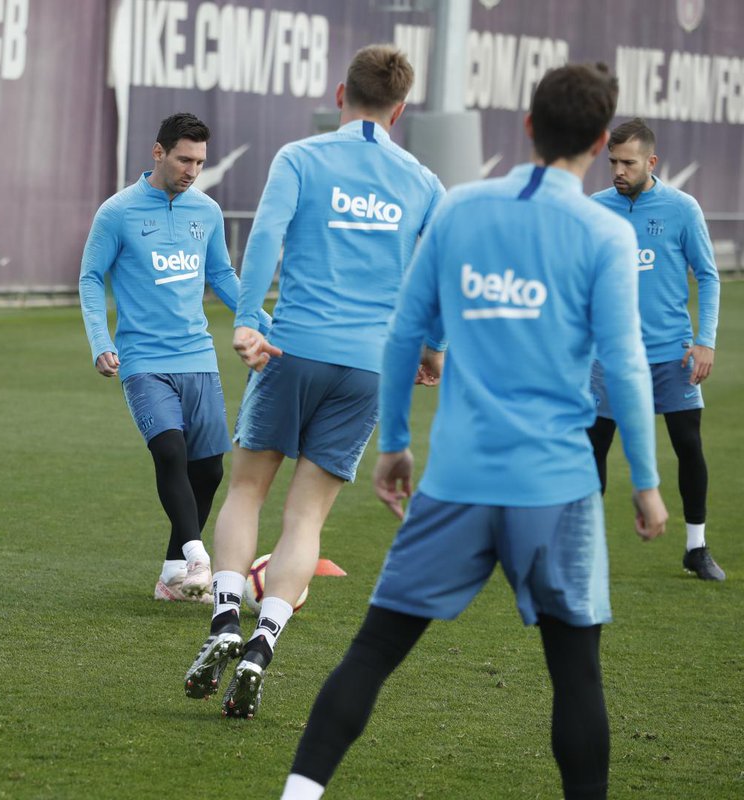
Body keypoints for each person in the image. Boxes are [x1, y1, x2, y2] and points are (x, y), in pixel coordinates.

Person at [281, 64, 668, 800]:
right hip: (555, 489)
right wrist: (646, 483)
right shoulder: (602, 234)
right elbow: (626, 366)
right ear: (597, 140)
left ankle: (298, 793)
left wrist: (394, 442)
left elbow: (403, 336)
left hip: (455, 482)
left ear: (525, 126)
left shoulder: (460, 209)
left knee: (373, 652)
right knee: (576, 673)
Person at [182, 45, 445, 718]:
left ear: (339, 94)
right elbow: (437, 277)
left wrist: (247, 320)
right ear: (401, 109)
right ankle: (264, 644)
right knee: (306, 518)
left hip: (291, 347)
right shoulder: (421, 181)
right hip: (368, 366)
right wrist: (433, 349)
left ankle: (223, 626)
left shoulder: (300, 158)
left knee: (245, 489)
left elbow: (266, 236)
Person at [79, 113, 269, 603]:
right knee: (169, 451)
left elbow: (223, 277)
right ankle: (197, 555)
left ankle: (170, 578)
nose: (192, 169)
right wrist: (101, 339)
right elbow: (90, 277)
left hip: (198, 356)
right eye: (185, 158)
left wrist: (267, 324)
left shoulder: (206, 212)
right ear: (158, 152)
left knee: (208, 472)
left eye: (201, 161)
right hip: (143, 359)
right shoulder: (117, 212)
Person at [588, 118, 723, 581]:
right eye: (612, 162)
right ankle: (587, 548)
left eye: (628, 162)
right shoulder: (594, 209)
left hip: (672, 352)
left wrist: (705, 340)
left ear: (651, 161)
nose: (618, 171)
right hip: (606, 356)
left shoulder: (682, 209)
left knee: (688, 444)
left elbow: (707, 275)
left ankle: (696, 546)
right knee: (594, 449)